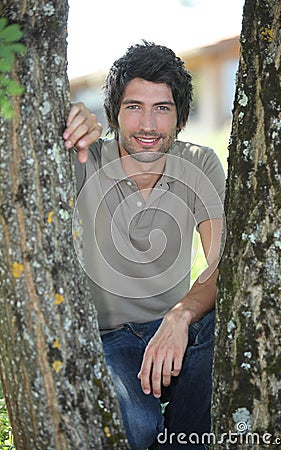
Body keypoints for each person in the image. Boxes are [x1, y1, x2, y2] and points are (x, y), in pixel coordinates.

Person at [63, 41, 225, 450]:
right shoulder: (84, 160)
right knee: (131, 430)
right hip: (108, 342)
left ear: (180, 117)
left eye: (163, 108)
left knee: (226, 337)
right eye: (134, 106)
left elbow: (223, 264)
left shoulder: (200, 163)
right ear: (115, 113)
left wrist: (180, 316)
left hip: (176, 333)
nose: (148, 124)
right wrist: (63, 122)